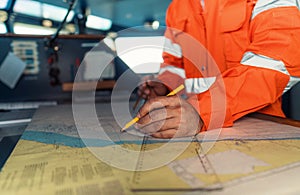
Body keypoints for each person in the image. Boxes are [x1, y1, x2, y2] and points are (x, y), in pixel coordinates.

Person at [136, 0, 300, 138]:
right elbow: (173, 63)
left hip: (258, 125)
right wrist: (164, 84)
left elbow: (276, 61)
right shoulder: (177, 7)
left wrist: (203, 111)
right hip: (192, 128)